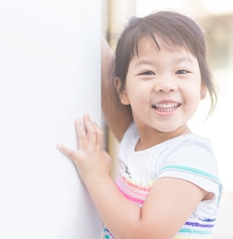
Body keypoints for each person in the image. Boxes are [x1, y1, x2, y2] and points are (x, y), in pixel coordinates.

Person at [57, 11, 222, 239]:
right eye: (148, 72)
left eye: (181, 71)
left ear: (202, 86)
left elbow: (143, 235)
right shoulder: (134, 136)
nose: (165, 85)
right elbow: (105, 70)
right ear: (122, 90)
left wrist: (96, 175)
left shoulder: (191, 156)